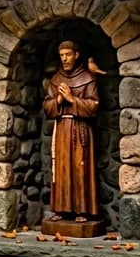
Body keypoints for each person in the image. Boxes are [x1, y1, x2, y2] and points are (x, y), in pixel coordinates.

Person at [42, 41, 103, 221]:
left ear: (76, 55)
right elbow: (47, 106)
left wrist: (72, 99)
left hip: (80, 129)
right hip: (61, 130)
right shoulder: (55, 80)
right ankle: (61, 208)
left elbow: (94, 106)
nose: (64, 59)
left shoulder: (88, 78)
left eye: (68, 54)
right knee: (60, 169)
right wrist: (59, 101)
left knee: (79, 169)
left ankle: (81, 210)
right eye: (61, 55)